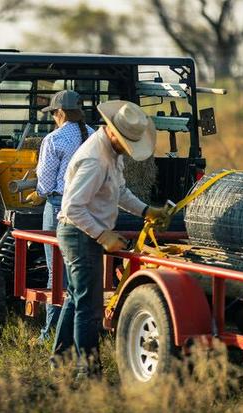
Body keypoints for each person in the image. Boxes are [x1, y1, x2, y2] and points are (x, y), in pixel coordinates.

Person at [51, 100, 169, 377]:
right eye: (126, 142)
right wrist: (103, 235)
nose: (128, 149)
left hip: (84, 231)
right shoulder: (95, 159)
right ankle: (87, 371)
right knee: (89, 307)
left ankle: (60, 361)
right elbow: (72, 208)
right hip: (79, 233)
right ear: (114, 132)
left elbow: (120, 191)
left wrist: (146, 210)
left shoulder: (110, 151)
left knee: (76, 300)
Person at [25, 90, 95, 344]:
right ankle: (82, 332)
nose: (54, 118)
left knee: (57, 274)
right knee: (82, 274)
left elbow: (44, 183)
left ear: (61, 113)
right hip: (91, 209)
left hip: (58, 207)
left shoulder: (54, 139)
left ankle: (50, 333)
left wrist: (37, 193)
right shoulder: (95, 136)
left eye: (54, 113)